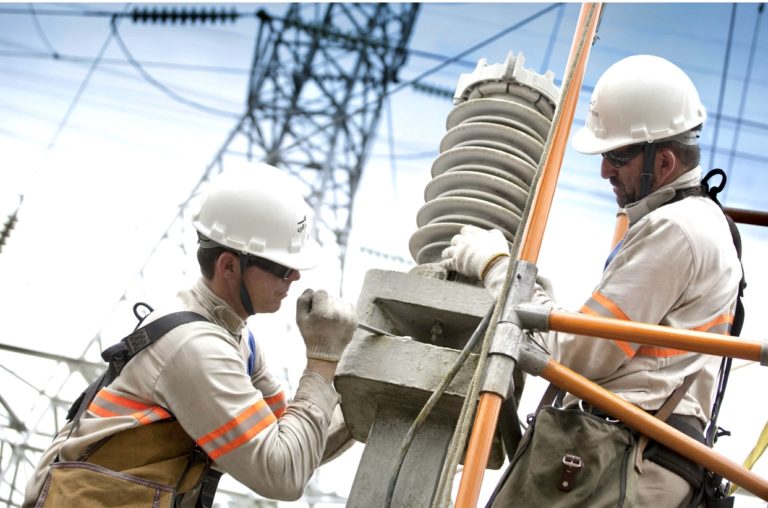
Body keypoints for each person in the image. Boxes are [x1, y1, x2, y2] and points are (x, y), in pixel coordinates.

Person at [441, 55, 742, 507]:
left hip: (624, 458)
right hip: (645, 454)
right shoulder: (703, 224)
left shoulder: (675, 230)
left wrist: (497, 268)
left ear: (662, 161)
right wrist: (552, 311)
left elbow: (579, 359)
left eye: (617, 157)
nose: (605, 171)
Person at [24, 164, 358, 507]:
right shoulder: (196, 348)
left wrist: (359, 397)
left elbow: (294, 445)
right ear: (229, 266)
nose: (295, 276)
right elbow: (282, 474)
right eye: (281, 267)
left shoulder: (237, 339)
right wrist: (321, 358)